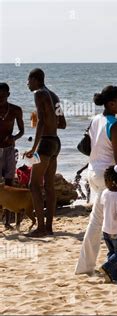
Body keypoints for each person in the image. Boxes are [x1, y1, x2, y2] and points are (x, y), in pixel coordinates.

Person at [75, 86, 117, 275]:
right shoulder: (116, 124)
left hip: (93, 173)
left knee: (109, 219)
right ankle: (85, 266)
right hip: (108, 177)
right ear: (111, 104)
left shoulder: (96, 119)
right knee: (102, 221)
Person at [25, 68, 66, 237]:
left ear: (35, 79)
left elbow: (41, 121)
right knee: (49, 187)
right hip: (55, 142)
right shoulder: (54, 95)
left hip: (45, 143)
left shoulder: (39, 93)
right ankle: (49, 227)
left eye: (28, 80)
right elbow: (62, 123)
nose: (27, 84)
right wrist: (50, 120)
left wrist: (33, 148)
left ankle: (40, 228)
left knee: (33, 184)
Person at [0, 83, 24, 229]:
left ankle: (8, 221)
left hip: (9, 150)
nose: (0, 98)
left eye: (3, 95)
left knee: (9, 185)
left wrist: (14, 138)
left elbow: (21, 131)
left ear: (8, 94)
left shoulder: (15, 110)